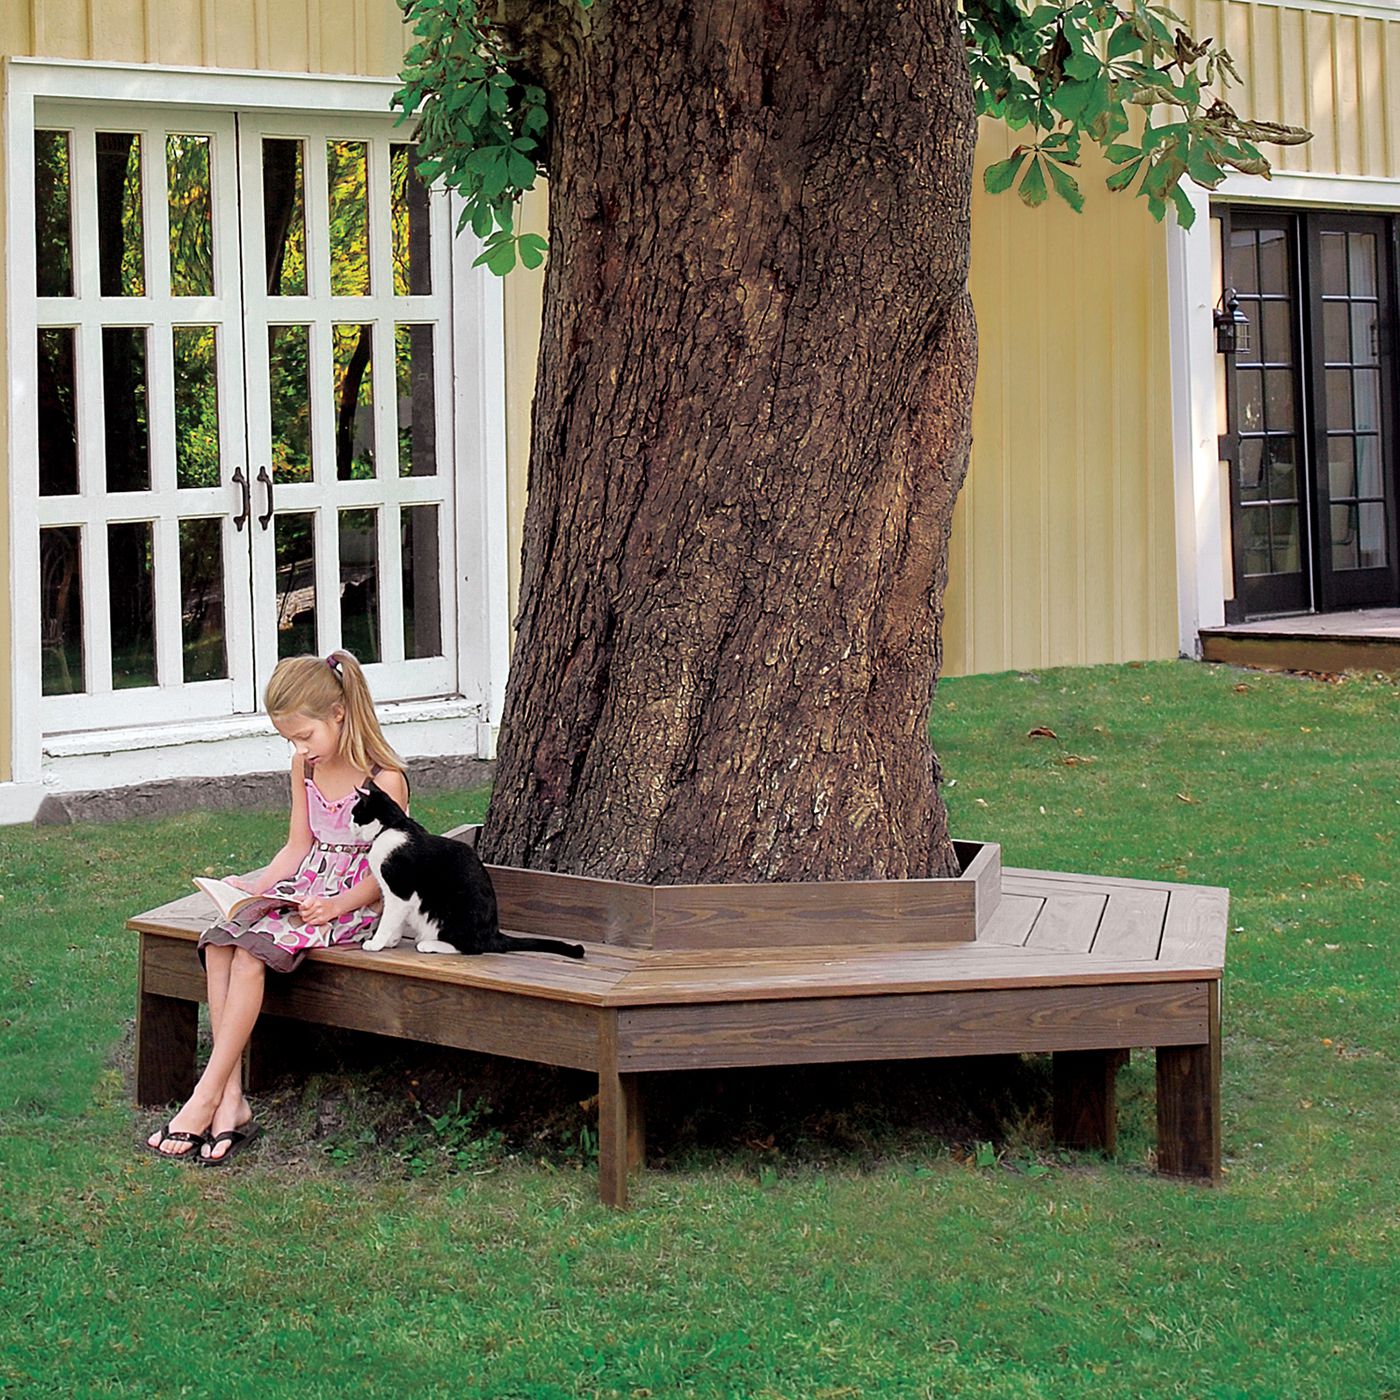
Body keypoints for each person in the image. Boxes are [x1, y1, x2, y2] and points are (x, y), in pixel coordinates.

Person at [146, 650, 409, 1164]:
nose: (300, 748)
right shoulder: (302, 768)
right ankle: (232, 1102)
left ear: (339, 713)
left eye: (304, 736)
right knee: (222, 940)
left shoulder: (385, 777)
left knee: (249, 955)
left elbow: (390, 871)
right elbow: (296, 846)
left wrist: (335, 906)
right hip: (308, 890)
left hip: (354, 904)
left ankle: (205, 1098)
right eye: (290, 739)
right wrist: (252, 887)